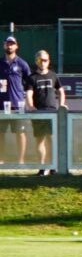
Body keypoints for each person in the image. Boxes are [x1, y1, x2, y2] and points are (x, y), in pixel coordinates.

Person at [30, 49, 64, 175]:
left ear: (49, 61)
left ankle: (53, 166)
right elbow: (29, 93)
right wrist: (31, 107)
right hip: (38, 112)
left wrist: (61, 106)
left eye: (45, 60)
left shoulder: (53, 75)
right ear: (36, 61)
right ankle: (42, 166)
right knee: (40, 140)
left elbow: (61, 91)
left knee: (52, 140)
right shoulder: (32, 77)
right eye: (40, 60)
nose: (43, 62)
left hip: (52, 113)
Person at [0, 35, 33, 166]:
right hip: (1, 105)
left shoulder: (22, 64)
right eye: (7, 43)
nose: (9, 46)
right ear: (4, 46)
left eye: (12, 44)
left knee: (20, 133)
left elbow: (30, 83)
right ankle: (1, 159)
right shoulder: (0, 63)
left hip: (18, 104)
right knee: (0, 134)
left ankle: (21, 160)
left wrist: (27, 98)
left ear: (16, 46)